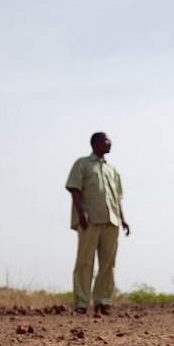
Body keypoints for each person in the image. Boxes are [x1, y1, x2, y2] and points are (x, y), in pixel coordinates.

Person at [65, 132, 130, 315]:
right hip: (89, 221)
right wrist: (81, 213)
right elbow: (74, 189)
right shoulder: (82, 164)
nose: (110, 143)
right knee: (85, 262)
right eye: (106, 140)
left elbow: (117, 197)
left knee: (108, 264)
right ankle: (81, 303)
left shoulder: (112, 170)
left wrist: (123, 219)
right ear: (96, 143)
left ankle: (102, 301)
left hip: (111, 221)